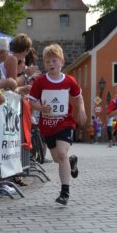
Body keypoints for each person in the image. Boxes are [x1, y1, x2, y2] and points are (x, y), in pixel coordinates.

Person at [29, 44, 86, 206]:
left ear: (62, 62)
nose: (51, 64)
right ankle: (71, 162)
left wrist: (81, 109)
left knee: (61, 153)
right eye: (47, 62)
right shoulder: (40, 82)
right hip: (47, 126)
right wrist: (40, 108)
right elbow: (31, 101)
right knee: (57, 158)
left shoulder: (69, 81)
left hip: (65, 123)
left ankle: (64, 192)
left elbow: (78, 97)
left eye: (54, 60)